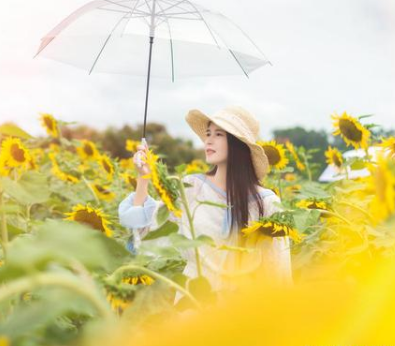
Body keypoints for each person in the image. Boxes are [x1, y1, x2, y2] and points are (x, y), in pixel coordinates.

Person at [118, 105, 293, 300]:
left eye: (219, 134)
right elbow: (145, 229)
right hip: (191, 305)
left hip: (242, 309)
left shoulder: (266, 202)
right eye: (208, 133)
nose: (208, 139)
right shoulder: (191, 188)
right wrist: (143, 177)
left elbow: (278, 271)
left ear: (238, 144)